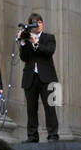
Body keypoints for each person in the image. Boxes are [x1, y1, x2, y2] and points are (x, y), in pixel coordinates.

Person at [18, 13, 59, 142]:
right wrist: (24, 42)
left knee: (50, 107)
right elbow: (24, 58)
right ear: (30, 26)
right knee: (31, 108)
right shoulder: (27, 38)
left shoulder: (49, 37)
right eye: (35, 23)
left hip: (47, 78)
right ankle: (32, 135)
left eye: (40, 22)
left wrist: (35, 42)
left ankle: (53, 135)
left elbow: (49, 51)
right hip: (30, 78)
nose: (38, 25)